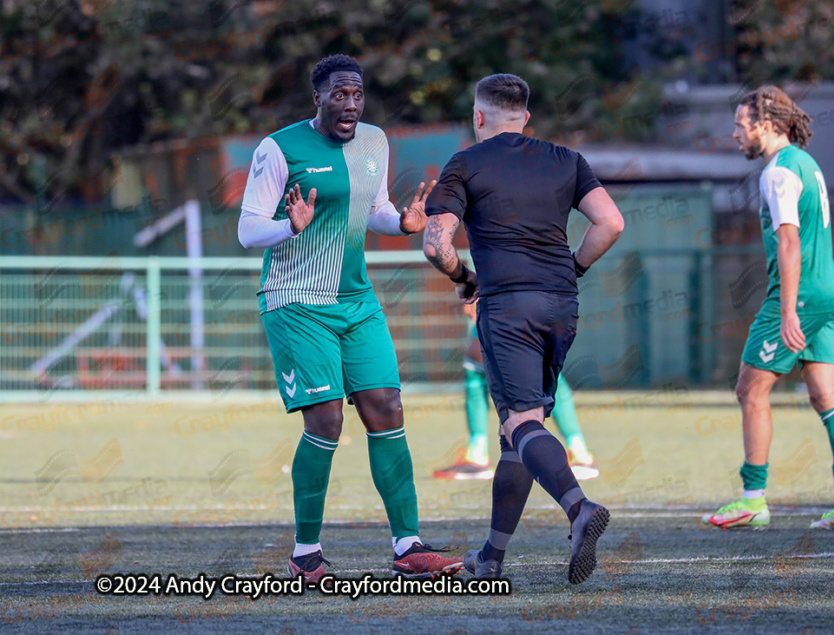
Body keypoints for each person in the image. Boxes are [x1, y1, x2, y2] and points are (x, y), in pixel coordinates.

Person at [238, 54, 462, 582]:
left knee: (386, 406)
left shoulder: (374, 142)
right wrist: (289, 228)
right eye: (340, 95)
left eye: (358, 95)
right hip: (296, 300)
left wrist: (402, 223)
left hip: (356, 299)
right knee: (327, 420)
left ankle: (408, 548)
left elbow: (376, 208)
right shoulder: (278, 148)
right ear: (317, 97)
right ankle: (306, 556)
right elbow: (249, 231)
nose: (351, 105)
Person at [422, 73, 625, 583]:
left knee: (520, 422)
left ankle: (579, 508)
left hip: (508, 306)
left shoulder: (465, 162)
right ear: (526, 117)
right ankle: (490, 557)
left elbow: (435, 245)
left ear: (478, 116)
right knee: (518, 433)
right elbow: (611, 224)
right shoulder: (566, 160)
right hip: (561, 303)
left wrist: (464, 277)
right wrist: (573, 267)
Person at [701, 85, 834, 531]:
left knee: (750, 391)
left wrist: (789, 310)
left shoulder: (777, 173)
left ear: (766, 126)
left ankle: (753, 499)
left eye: (740, 125)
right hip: (831, 291)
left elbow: (790, 241)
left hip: (801, 296)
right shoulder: (806, 163)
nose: (735, 133)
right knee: (826, 397)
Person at [434, 300, 599, 481]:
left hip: (513, 295)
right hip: (531, 296)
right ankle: (477, 453)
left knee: (540, 367)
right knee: (482, 365)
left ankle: (578, 451)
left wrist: (476, 292)